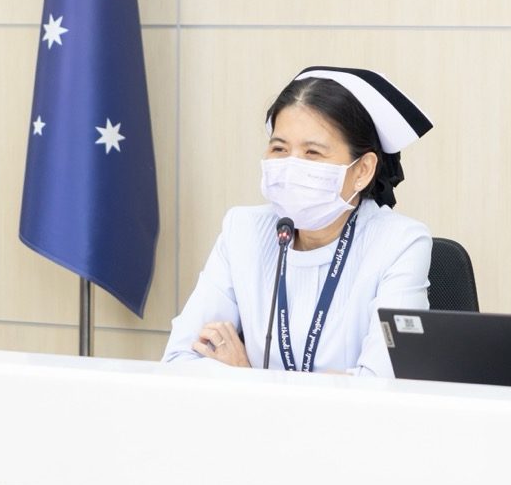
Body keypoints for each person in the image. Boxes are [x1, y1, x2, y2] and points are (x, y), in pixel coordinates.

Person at [162, 66, 434, 377]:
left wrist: (247, 377)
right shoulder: (243, 230)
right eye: (279, 148)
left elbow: (380, 385)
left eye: (312, 152)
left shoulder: (399, 242)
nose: (291, 165)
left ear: (362, 170)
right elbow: (178, 361)